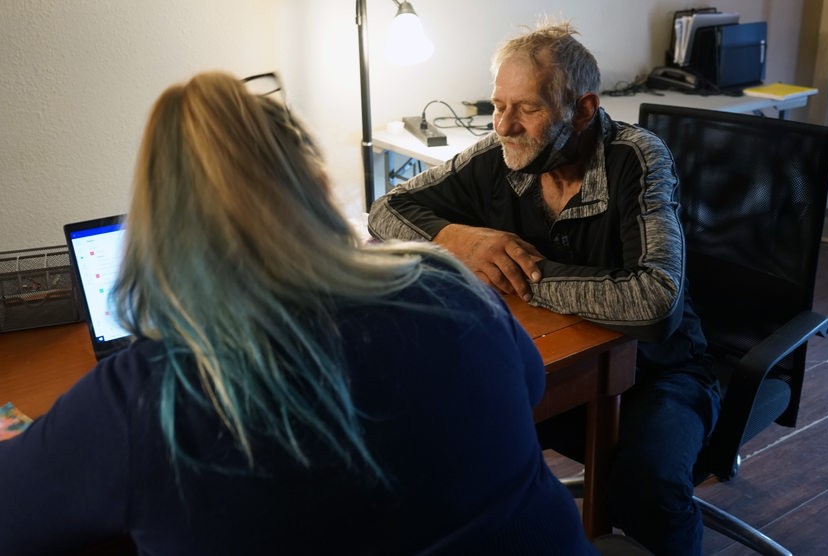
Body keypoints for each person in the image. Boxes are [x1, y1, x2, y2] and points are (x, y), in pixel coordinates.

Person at [0, 71, 601, 555]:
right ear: (316, 186)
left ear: (160, 229)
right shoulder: (445, 283)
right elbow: (527, 383)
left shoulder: (144, 396)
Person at [368, 21, 722, 556]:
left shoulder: (638, 157)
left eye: (526, 108)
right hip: (560, 362)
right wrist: (461, 239)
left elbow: (655, 303)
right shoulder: (498, 151)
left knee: (647, 486)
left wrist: (520, 273)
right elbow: (385, 210)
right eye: (497, 104)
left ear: (582, 110)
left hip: (662, 372)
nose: (503, 125)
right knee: (442, 441)